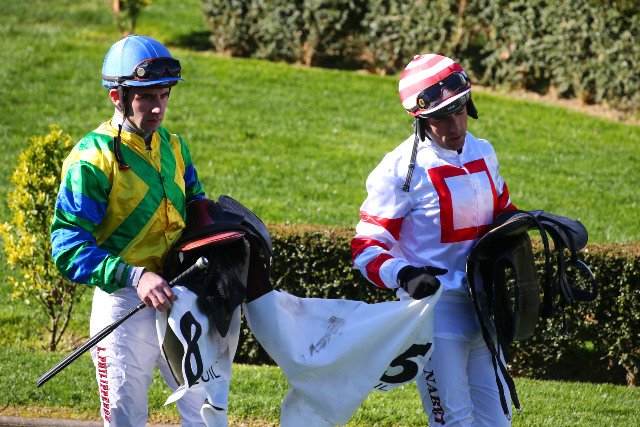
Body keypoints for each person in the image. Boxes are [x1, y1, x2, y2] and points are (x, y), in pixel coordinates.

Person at [351, 54, 517, 426]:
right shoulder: (398, 170)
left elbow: (505, 214)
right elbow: (365, 248)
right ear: (420, 117)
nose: (454, 124)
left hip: (484, 305)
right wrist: (403, 274)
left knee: (498, 421)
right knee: (453, 420)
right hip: (434, 312)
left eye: (459, 109)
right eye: (441, 116)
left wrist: (531, 228)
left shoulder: (484, 151)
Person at [50, 34, 208, 426]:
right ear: (117, 97)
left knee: (207, 412)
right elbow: (67, 246)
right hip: (123, 301)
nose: (158, 108)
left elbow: (197, 208)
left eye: (164, 95)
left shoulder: (175, 146)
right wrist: (134, 276)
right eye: (146, 97)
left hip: (180, 294)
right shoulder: (91, 159)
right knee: (125, 418)